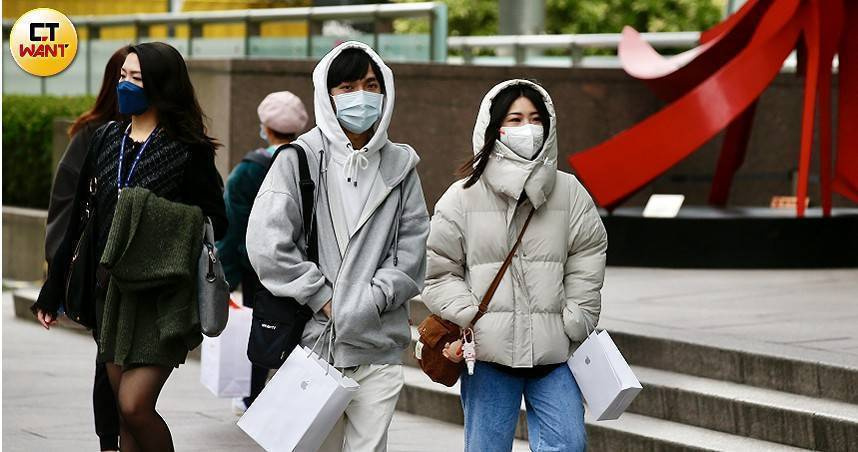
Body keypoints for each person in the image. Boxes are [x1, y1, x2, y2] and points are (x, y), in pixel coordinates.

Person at [37, 41, 227, 452]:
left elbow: (216, 219)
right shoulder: (106, 137)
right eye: (122, 76)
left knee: (135, 405)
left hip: (161, 297)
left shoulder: (188, 148)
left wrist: (148, 214)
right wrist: (52, 290)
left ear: (161, 85)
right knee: (121, 418)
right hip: (111, 292)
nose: (125, 86)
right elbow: (80, 218)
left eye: (136, 79)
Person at [246, 41, 429, 451]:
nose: (360, 96)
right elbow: (267, 245)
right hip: (312, 343)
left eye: (370, 84)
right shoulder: (299, 158)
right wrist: (323, 298)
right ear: (327, 95)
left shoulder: (401, 166)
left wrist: (373, 299)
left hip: (377, 344)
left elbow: (413, 248)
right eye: (346, 87)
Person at [421, 79, 608, 452]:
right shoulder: (461, 197)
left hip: (554, 353)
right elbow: (438, 271)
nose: (528, 129)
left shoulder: (569, 192)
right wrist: (471, 315)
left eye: (536, 119)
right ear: (494, 128)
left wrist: (576, 316)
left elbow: (588, 252)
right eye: (516, 119)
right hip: (490, 356)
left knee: (568, 443)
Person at [32, 45, 131, 452]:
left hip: (149, 275)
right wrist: (56, 279)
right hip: (100, 272)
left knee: (132, 373)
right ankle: (110, 442)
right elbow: (65, 210)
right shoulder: (93, 133)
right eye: (126, 77)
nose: (133, 86)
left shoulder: (171, 136)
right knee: (107, 362)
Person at [216, 90, 308, 413]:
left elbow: (230, 230)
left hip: (257, 273)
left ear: (265, 128)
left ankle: (252, 396)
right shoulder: (308, 164)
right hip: (303, 272)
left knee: (263, 330)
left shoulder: (247, 171)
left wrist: (223, 279)